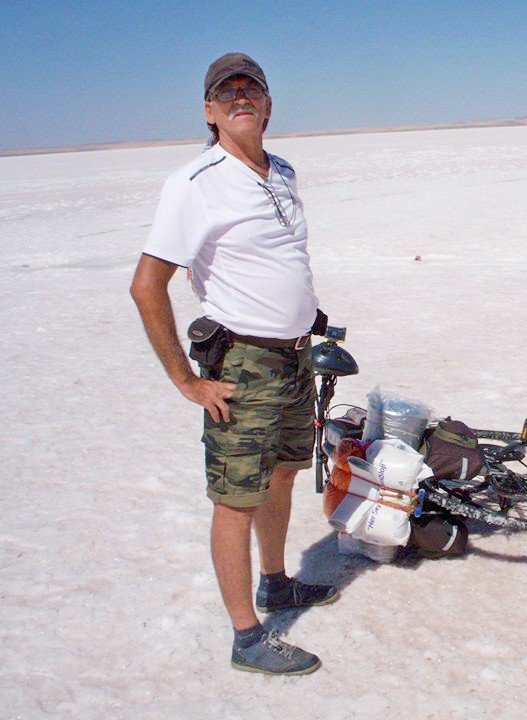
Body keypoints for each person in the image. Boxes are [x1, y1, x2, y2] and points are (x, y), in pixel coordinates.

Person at [130, 52, 337, 676]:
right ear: (209, 111)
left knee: (281, 477)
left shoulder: (283, 173)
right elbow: (147, 285)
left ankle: (276, 583)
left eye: (251, 90)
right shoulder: (195, 183)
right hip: (242, 365)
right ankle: (248, 637)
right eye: (227, 93)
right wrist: (187, 381)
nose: (240, 98)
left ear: (269, 105)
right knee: (235, 499)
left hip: (295, 359)